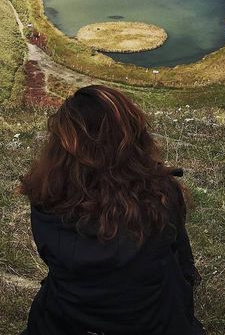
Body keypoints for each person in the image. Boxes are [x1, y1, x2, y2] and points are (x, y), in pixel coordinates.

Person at [20, 85, 204, 335]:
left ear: (61, 147)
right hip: (153, 324)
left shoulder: (45, 196)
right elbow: (180, 259)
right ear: (132, 138)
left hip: (61, 322)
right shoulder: (161, 194)